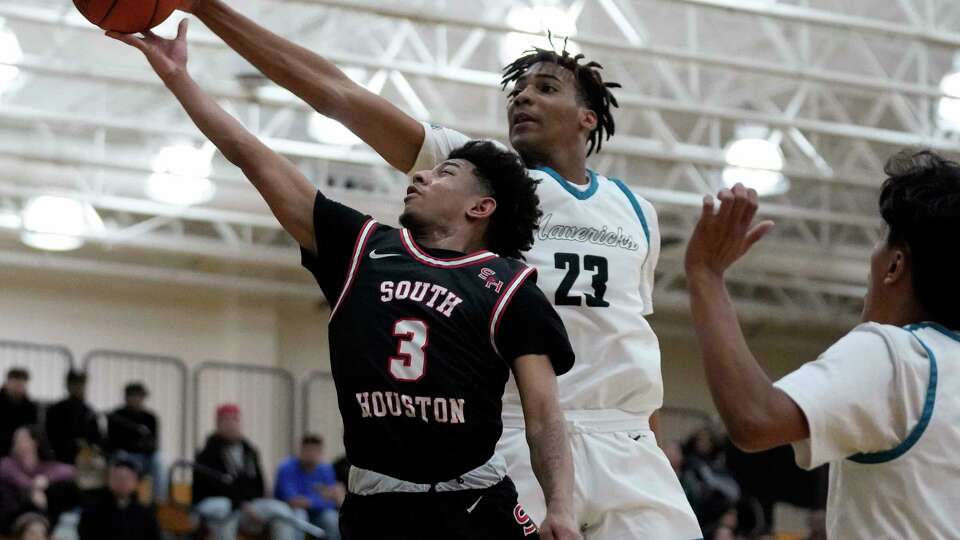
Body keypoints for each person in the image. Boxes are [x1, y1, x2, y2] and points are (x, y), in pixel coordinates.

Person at [170, 2, 700, 537]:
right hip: (521, 429)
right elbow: (337, 94)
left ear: (589, 117)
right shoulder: (479, 172)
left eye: (545, 88)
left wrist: (651, 443)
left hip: (625, 438)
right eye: (519, 90)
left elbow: (633, 338)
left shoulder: (636, 210)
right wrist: (209, 12)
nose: (522, 96)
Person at [108, 19, 579, 539]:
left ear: (480, 207)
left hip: (475, 505)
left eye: (444, 173)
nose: (420, 174)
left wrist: (560, 504)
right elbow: (248, 154)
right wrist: (179, 79)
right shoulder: (361, 247)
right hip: (374, 506)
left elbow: (543, 417)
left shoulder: (509, 285)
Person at [683, 149, 960, 538]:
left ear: (895, 266)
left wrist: (705, 275)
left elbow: (754, 418)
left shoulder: (897, 355)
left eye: (879, 246)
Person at [192, 405, 315, 540]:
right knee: (225, 508)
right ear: (217, 423)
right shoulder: (206, 453)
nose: (230, 424)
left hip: (248, 507)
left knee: (280, 511)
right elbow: (213, 487)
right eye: (225, 420)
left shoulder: (249, 451)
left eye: (234, 420)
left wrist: (250, 504)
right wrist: (241, 504)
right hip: (216, 505)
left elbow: (258, 486)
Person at [0, 427, 77, 533]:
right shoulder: (7, 463)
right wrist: (35, 488)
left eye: (22, 438)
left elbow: (71, 471)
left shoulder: (45, 465)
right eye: (15, 439)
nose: (16, 442)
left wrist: (46, 479)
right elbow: (19, 480)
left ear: (35, 442)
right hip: (14, 513)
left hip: (44, 513)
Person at [77, 454, 162, 540]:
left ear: (136, 482)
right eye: (117, 477)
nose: (122, 482)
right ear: (109, 480)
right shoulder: (92, 511)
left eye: (127, 478)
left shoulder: (145, 515)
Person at [274, 435, 342, 540]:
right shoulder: (286, 468)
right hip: (290, 512)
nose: (311, 454)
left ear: (320, 452)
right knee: (300, 516)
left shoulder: (326, 470)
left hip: (317, 514)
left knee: (333, 519)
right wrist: (319, 499)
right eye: (308, 450)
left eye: (315, 451)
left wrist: (309, 502)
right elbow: (292, 501)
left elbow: (332, 502)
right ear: (301, 451)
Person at [106, 382, 162, 500]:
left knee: (158, 461)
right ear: (126, 397)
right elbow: (113, 443)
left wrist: (141, 446)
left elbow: (153, 443)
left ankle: (158, 500)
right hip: (124, 456)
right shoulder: (116, 416)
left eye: (139, 396)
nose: (136, 399)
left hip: (144, 457)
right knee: (121, 456)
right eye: (133, 396)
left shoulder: (150, 418)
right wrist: (134, 445)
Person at [45, 371, 101, 466]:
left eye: (82, 386)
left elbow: (96, 438)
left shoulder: (89, 411)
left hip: (85, 456)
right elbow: (52, 436)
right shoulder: (56, 410)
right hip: (62, 455)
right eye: (76, 385)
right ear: (68, 387)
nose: (80, 389)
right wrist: (74, 444)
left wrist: (88, 446)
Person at [0, 368, 38, 456]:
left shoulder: (30, 407)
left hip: (22, 448)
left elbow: (32, 428)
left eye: (21, 383)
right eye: (15, 382)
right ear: (7, 383)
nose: (18, 386)